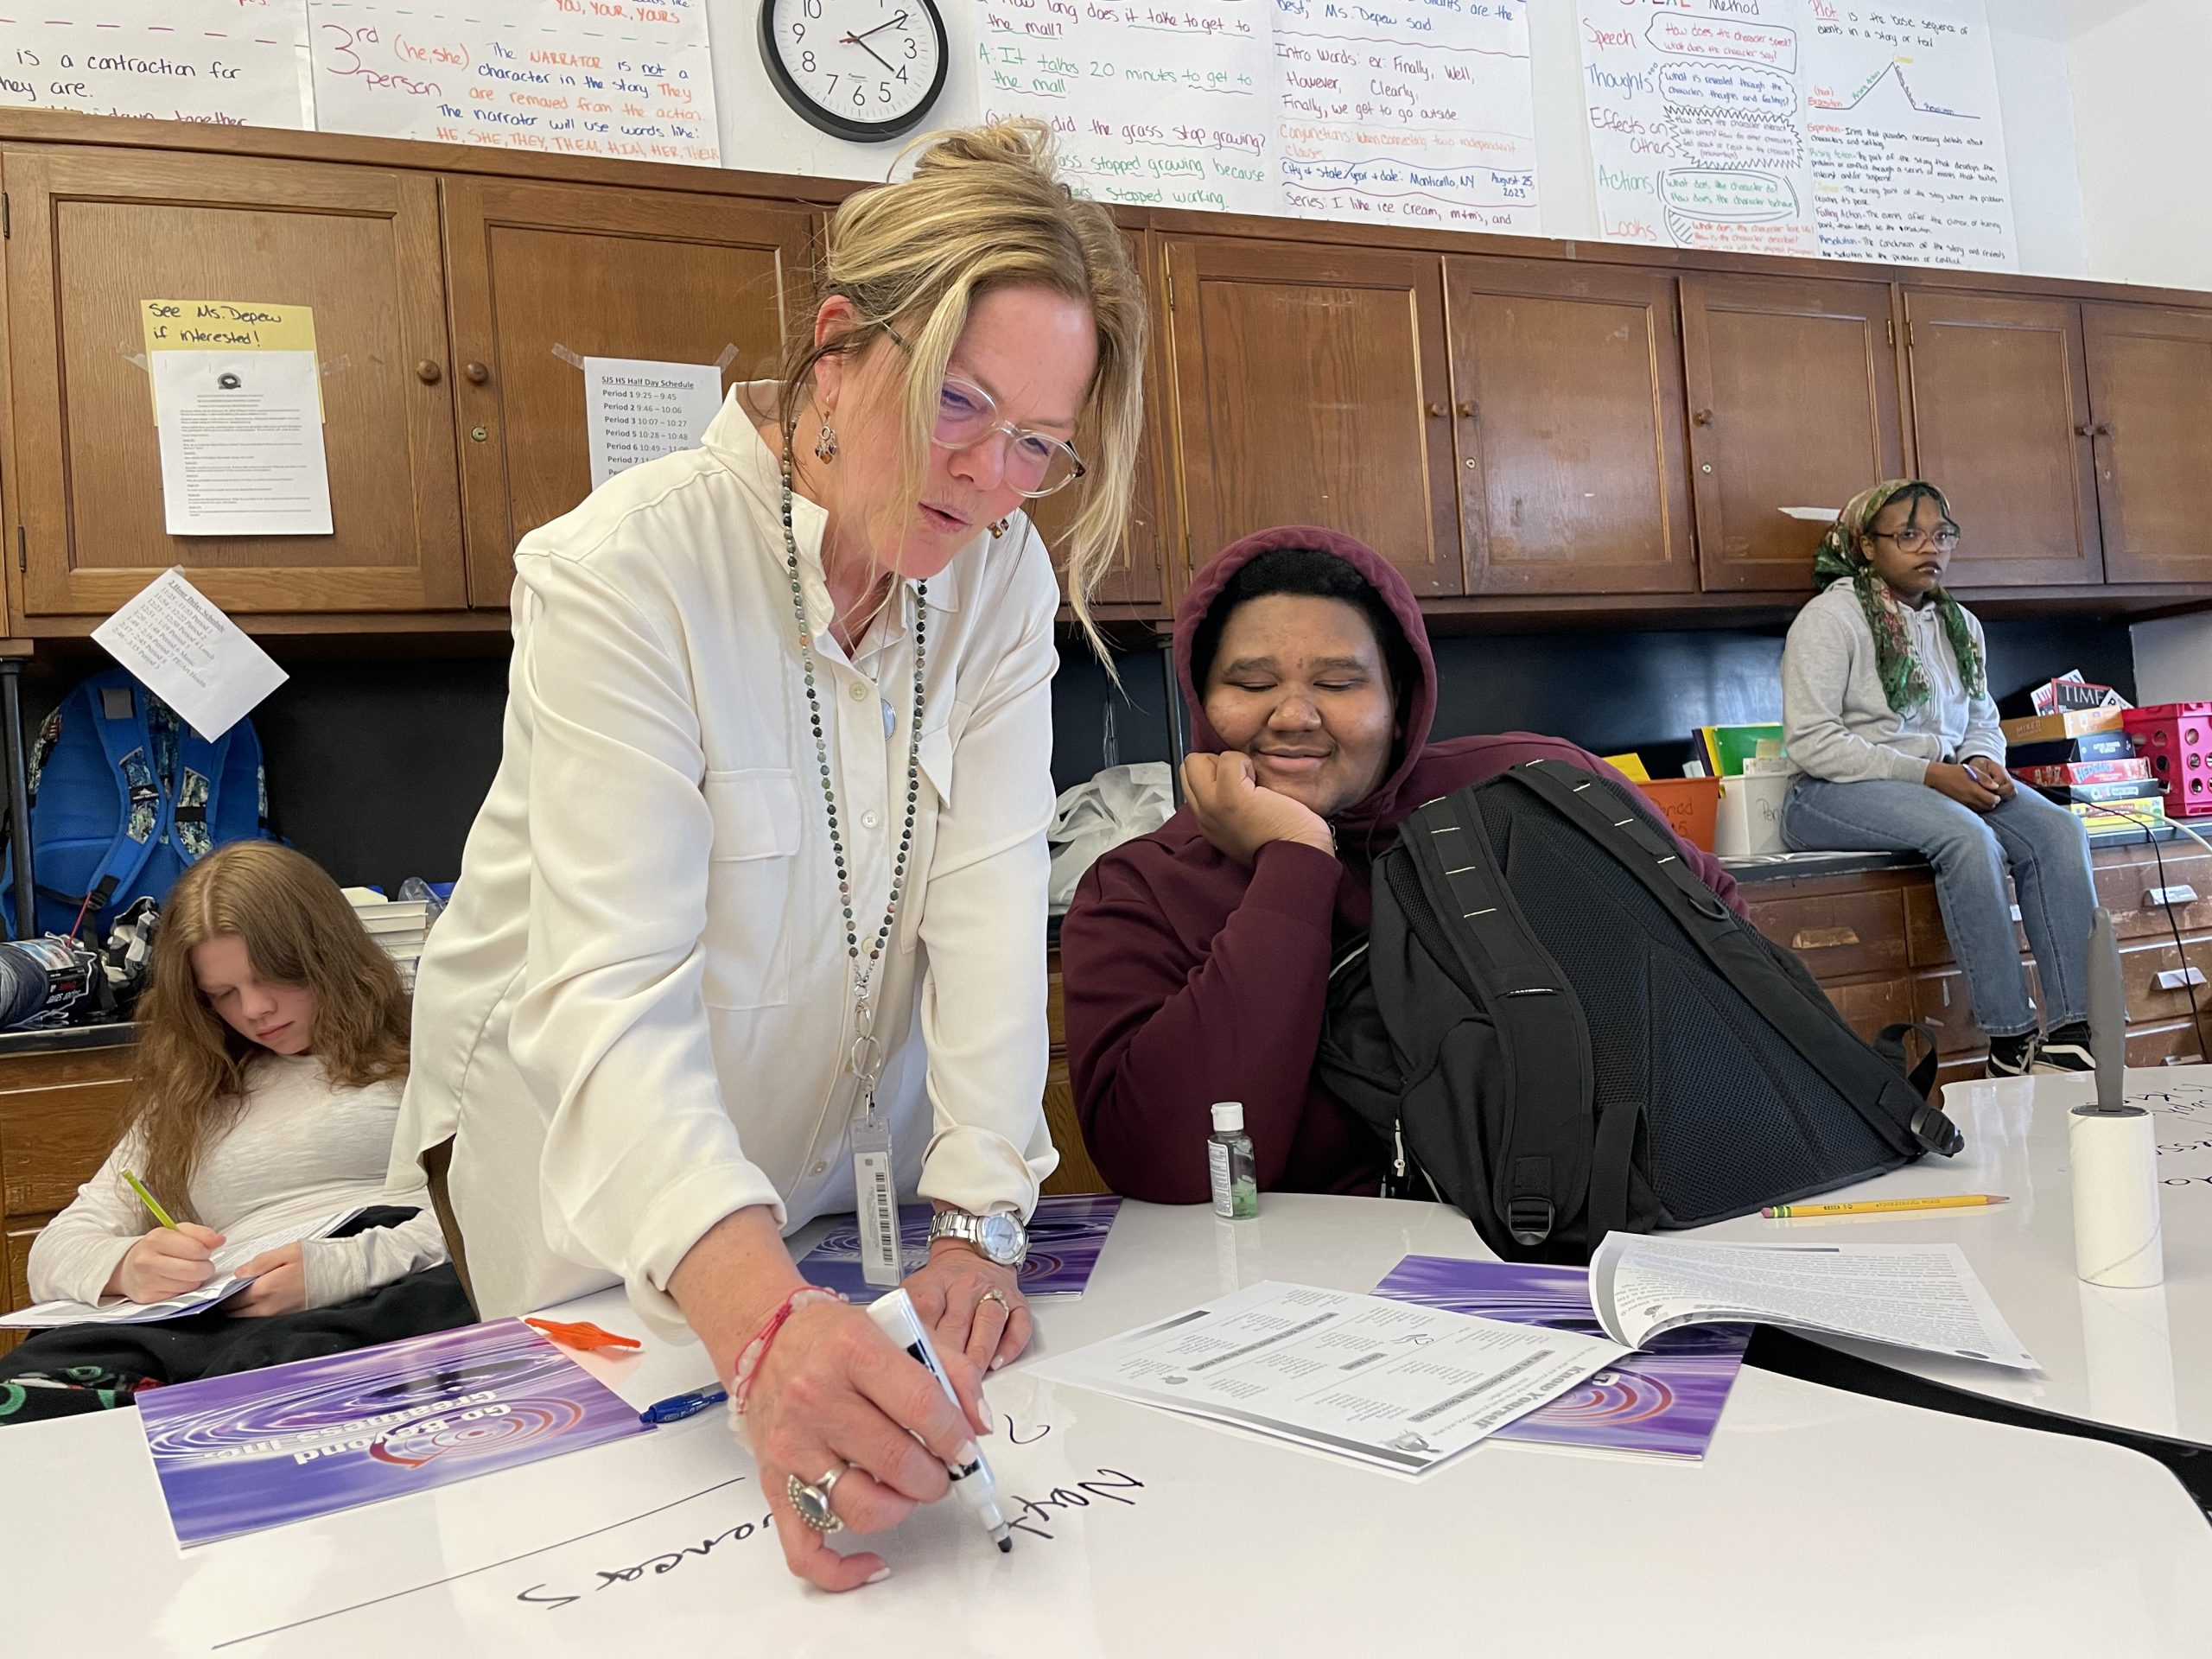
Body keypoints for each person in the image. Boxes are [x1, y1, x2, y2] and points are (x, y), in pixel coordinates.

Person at [392, 122, 1147, 1592]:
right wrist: (758, 1325)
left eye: (1040, 446)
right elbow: (606, 996)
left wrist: (983, 1220)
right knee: (599, 1578)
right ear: (841, 350)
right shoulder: (625, 570)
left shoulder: (995, 576)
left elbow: (991, 909)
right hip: (586, 1191)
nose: (995, 477)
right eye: (962, 406)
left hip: (813, 1194)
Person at [1058, 526, 1745, 1204]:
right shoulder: (1139, 888)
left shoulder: (1534, 788)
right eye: (1251, 682)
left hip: (1612, 1233)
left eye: (1338, 682)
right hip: (1316, 1290)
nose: (1295, 714)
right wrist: (1294, 861)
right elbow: (1165, 1167)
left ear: (1399, 704)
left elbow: (1733, 965)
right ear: (1203, 701)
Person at [0, 842, 467, 1426]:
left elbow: (500, 1212)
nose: (255, 1010)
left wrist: (343, 1268)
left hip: (369, 1290)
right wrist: (128, 1266)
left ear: (329, 955)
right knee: (23, 1393)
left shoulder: (428, 1054)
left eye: (276, 977)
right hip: (207, 1316)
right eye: (222, 994)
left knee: (266, 1381)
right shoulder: (195, 1092)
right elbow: (56, 1250)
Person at [1781, 480, 2097, 1077]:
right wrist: (1929, 774)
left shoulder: (1961, 625)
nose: (1931, 548)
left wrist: (1982, 762)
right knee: (1967, 837)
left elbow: (1981, 719)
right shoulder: (1830, 620)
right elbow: (1814, 744)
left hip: (1939, 781)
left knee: (2058, 830)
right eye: (1908, 535)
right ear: (1866, 546)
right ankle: (2012, 1041)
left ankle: (2076, 1031)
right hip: (1826, 793)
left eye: (1942, 535)